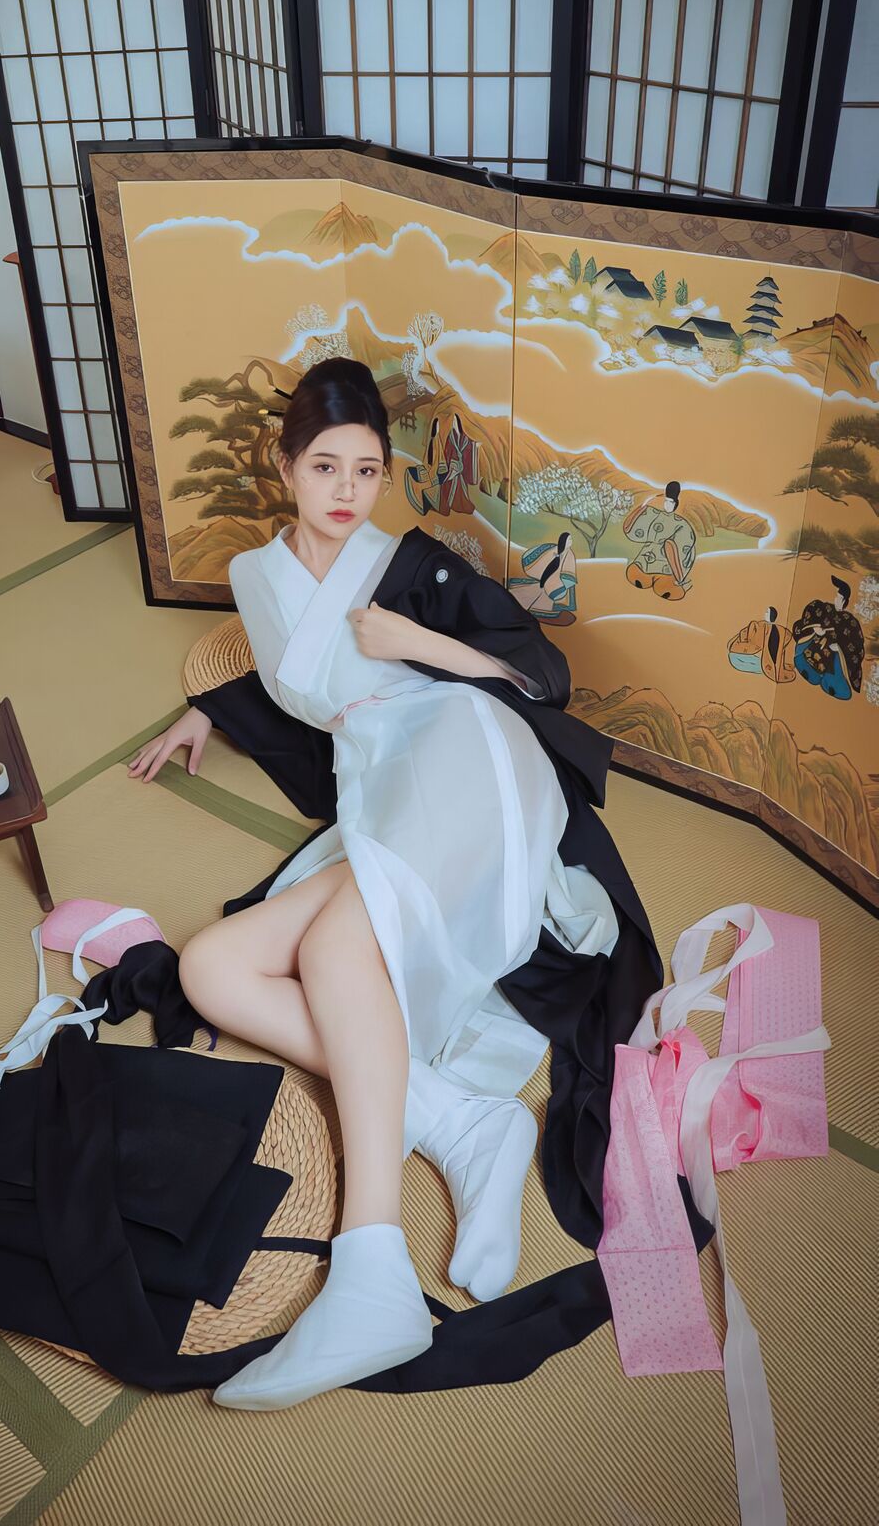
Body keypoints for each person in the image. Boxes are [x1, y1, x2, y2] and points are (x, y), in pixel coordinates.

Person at [127, 358, 637, 1412]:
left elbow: (543, 677)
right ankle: (464, 1123)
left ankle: (371, 1265)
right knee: (212, 965)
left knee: (328, 949)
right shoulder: (255, 578)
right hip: (383, 786)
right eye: (325, 466)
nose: (347, 491)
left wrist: (420, 641)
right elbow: (289, 672)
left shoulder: (409, 564)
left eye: (367, 469)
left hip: (465, 755)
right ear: (284, 467)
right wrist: (208, 709)